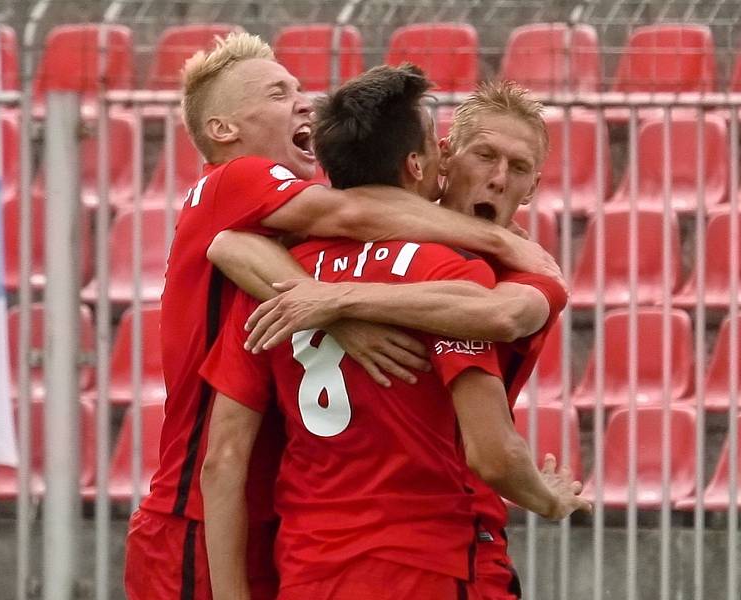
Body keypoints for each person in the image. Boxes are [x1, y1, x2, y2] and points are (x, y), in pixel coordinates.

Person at [124, 32, 563, 600]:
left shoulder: (282, 258)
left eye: (300, 88)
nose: (304, 101)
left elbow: (233, 247)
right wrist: (504, 247)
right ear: (437, 160)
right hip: (208, 523)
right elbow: (347, 214)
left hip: (288, 541)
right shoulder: (236, 182)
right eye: (279, 93)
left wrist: (334, 302)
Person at [207, 80, 591, 599]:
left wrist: (335, 300)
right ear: (437, 161)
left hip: (308, 569)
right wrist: (549, 501)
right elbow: (494, 452)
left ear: (534, 186)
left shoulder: (276, 273)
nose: (498, 180)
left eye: (518, 168)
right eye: (484, 156)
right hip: (432, 562)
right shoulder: (459, 276)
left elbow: (223, 458)